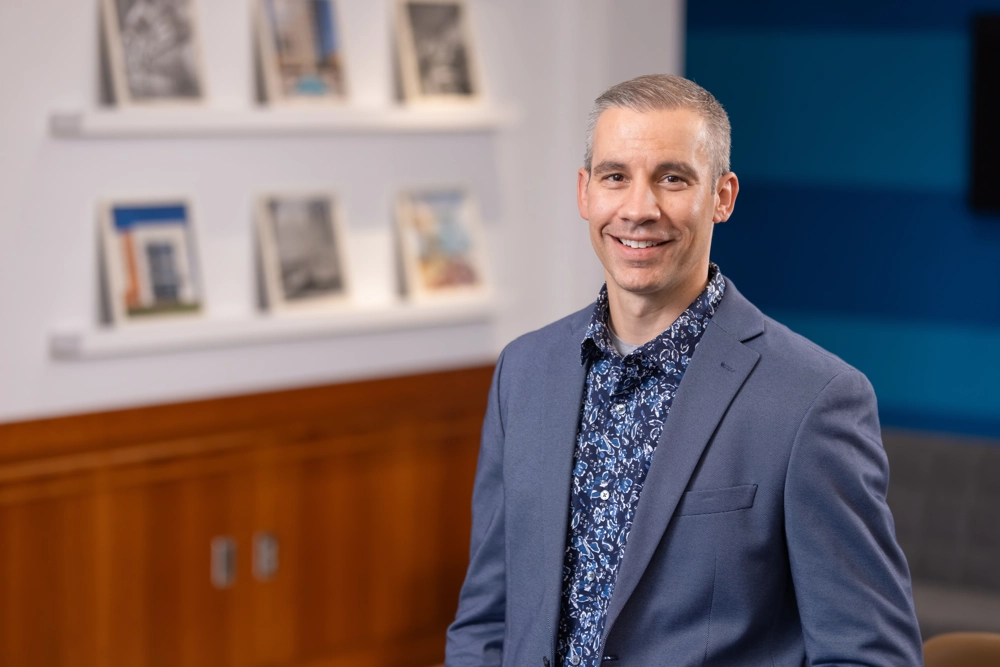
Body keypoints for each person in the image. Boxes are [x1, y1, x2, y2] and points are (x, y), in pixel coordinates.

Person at [445, 74, 922, 667]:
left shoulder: (814, 399)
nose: (639, 209)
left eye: (672, 179)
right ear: (585, 192)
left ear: (722, 196)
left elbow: (870, 655)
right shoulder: (524, 371)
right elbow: (487, 618)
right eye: (615, 176)